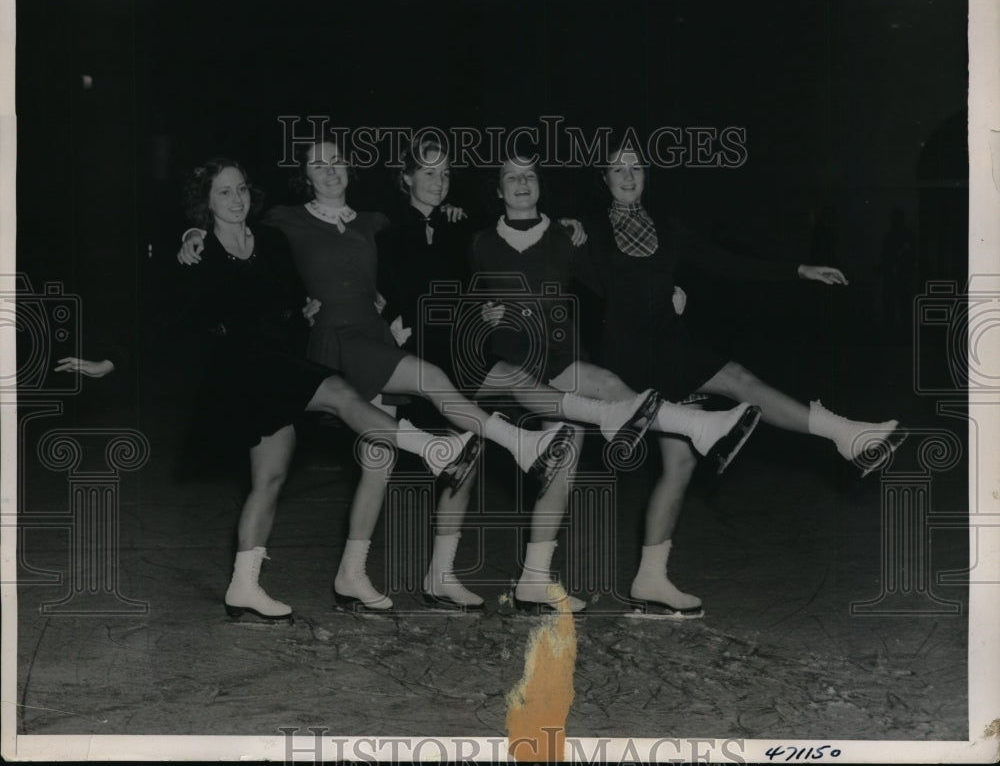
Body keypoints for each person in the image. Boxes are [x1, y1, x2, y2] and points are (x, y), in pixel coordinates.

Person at [178, 139, 575, 611]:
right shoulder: (285, 220)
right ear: (305, 175)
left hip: (373, 337)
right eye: (318, 164)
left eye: (338, 162)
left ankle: (349, 575)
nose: (330, 171)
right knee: (429, 378)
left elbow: (418, 243)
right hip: (334, 342)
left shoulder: (375, 221)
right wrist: (189, 233)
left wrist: (548, 222)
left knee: (375, 464)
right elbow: (229, 239)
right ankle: (508, 444)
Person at [585, 141, 907, 617]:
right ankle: (847, 436)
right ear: (605, 178)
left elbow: (726, 262)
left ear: (647, 175)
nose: (628, 175)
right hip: (631, 353)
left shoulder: (665, 228)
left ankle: (649, 580)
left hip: (670, 342)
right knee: (736, 377)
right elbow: (575, 280)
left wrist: (797, 268)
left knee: (680, 465)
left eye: (636, 167)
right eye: (618, 168)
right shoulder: (586, 230)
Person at [466, 154, 763, 613]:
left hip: (558, 354)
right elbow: (457, 292)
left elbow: (622, 280)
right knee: (587, 394)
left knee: (565, 449)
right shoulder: (479, 242)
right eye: (512, 177)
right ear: (498, 190)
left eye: (530, 175)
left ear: (540, 185)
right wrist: (480, 313)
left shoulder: (568, 236)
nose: (522, 182)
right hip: (503, 359)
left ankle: (533, 581)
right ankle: (698, 426)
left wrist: (666, 296)